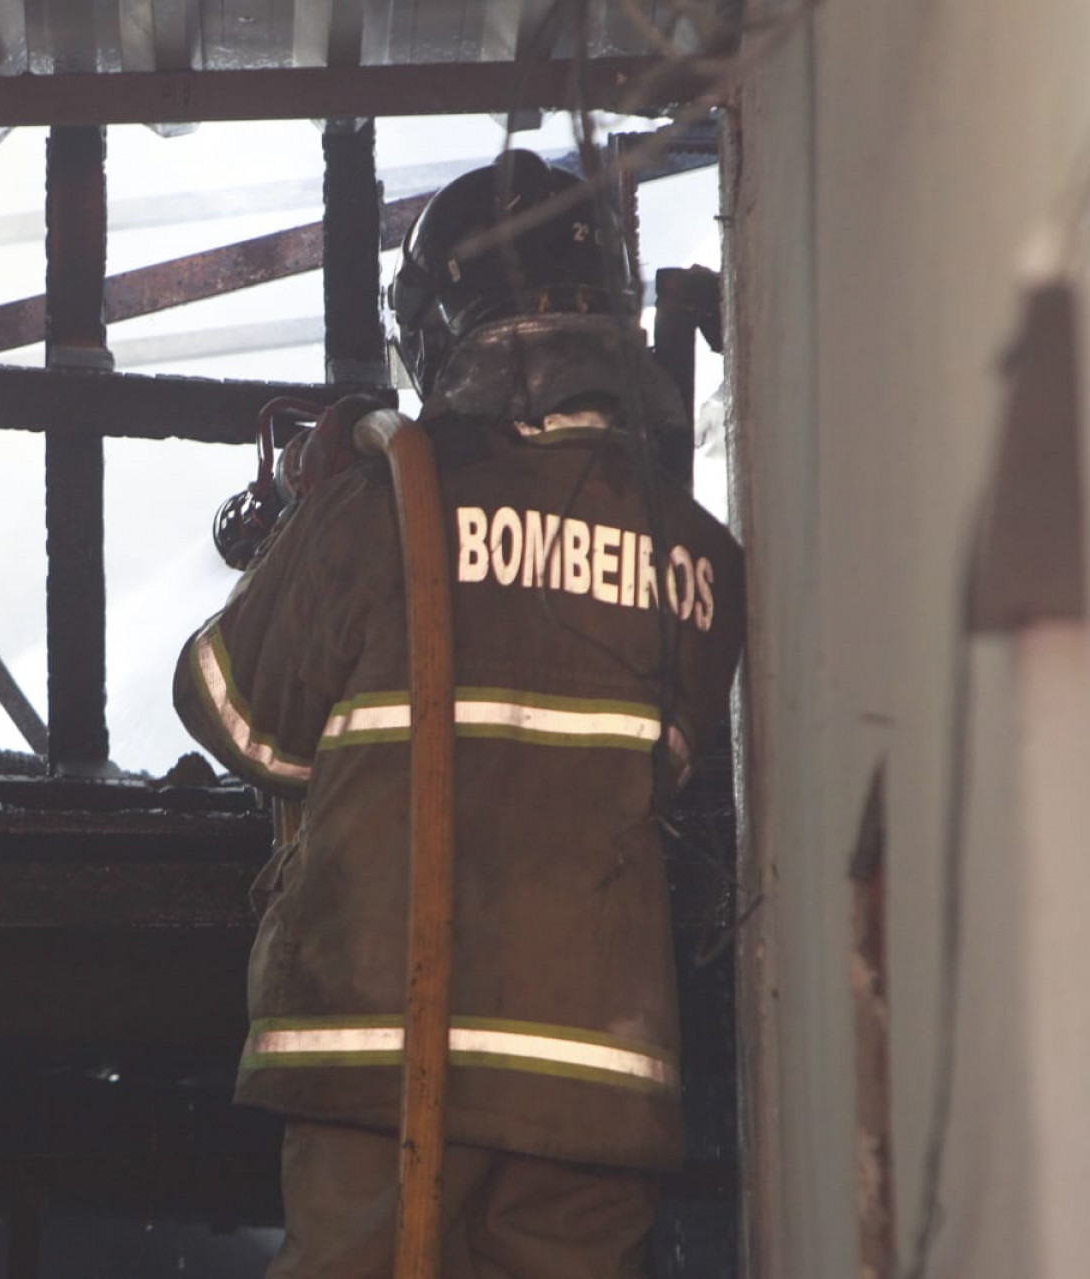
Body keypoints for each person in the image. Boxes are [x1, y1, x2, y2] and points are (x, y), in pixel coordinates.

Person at [172, 150, 745, 1278]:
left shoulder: (386, 503)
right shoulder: (700, 560)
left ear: (437, 332)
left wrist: (299, 519)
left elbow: (234, 715)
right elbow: (666, 775)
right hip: (593, 1086)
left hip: (378, 1060)